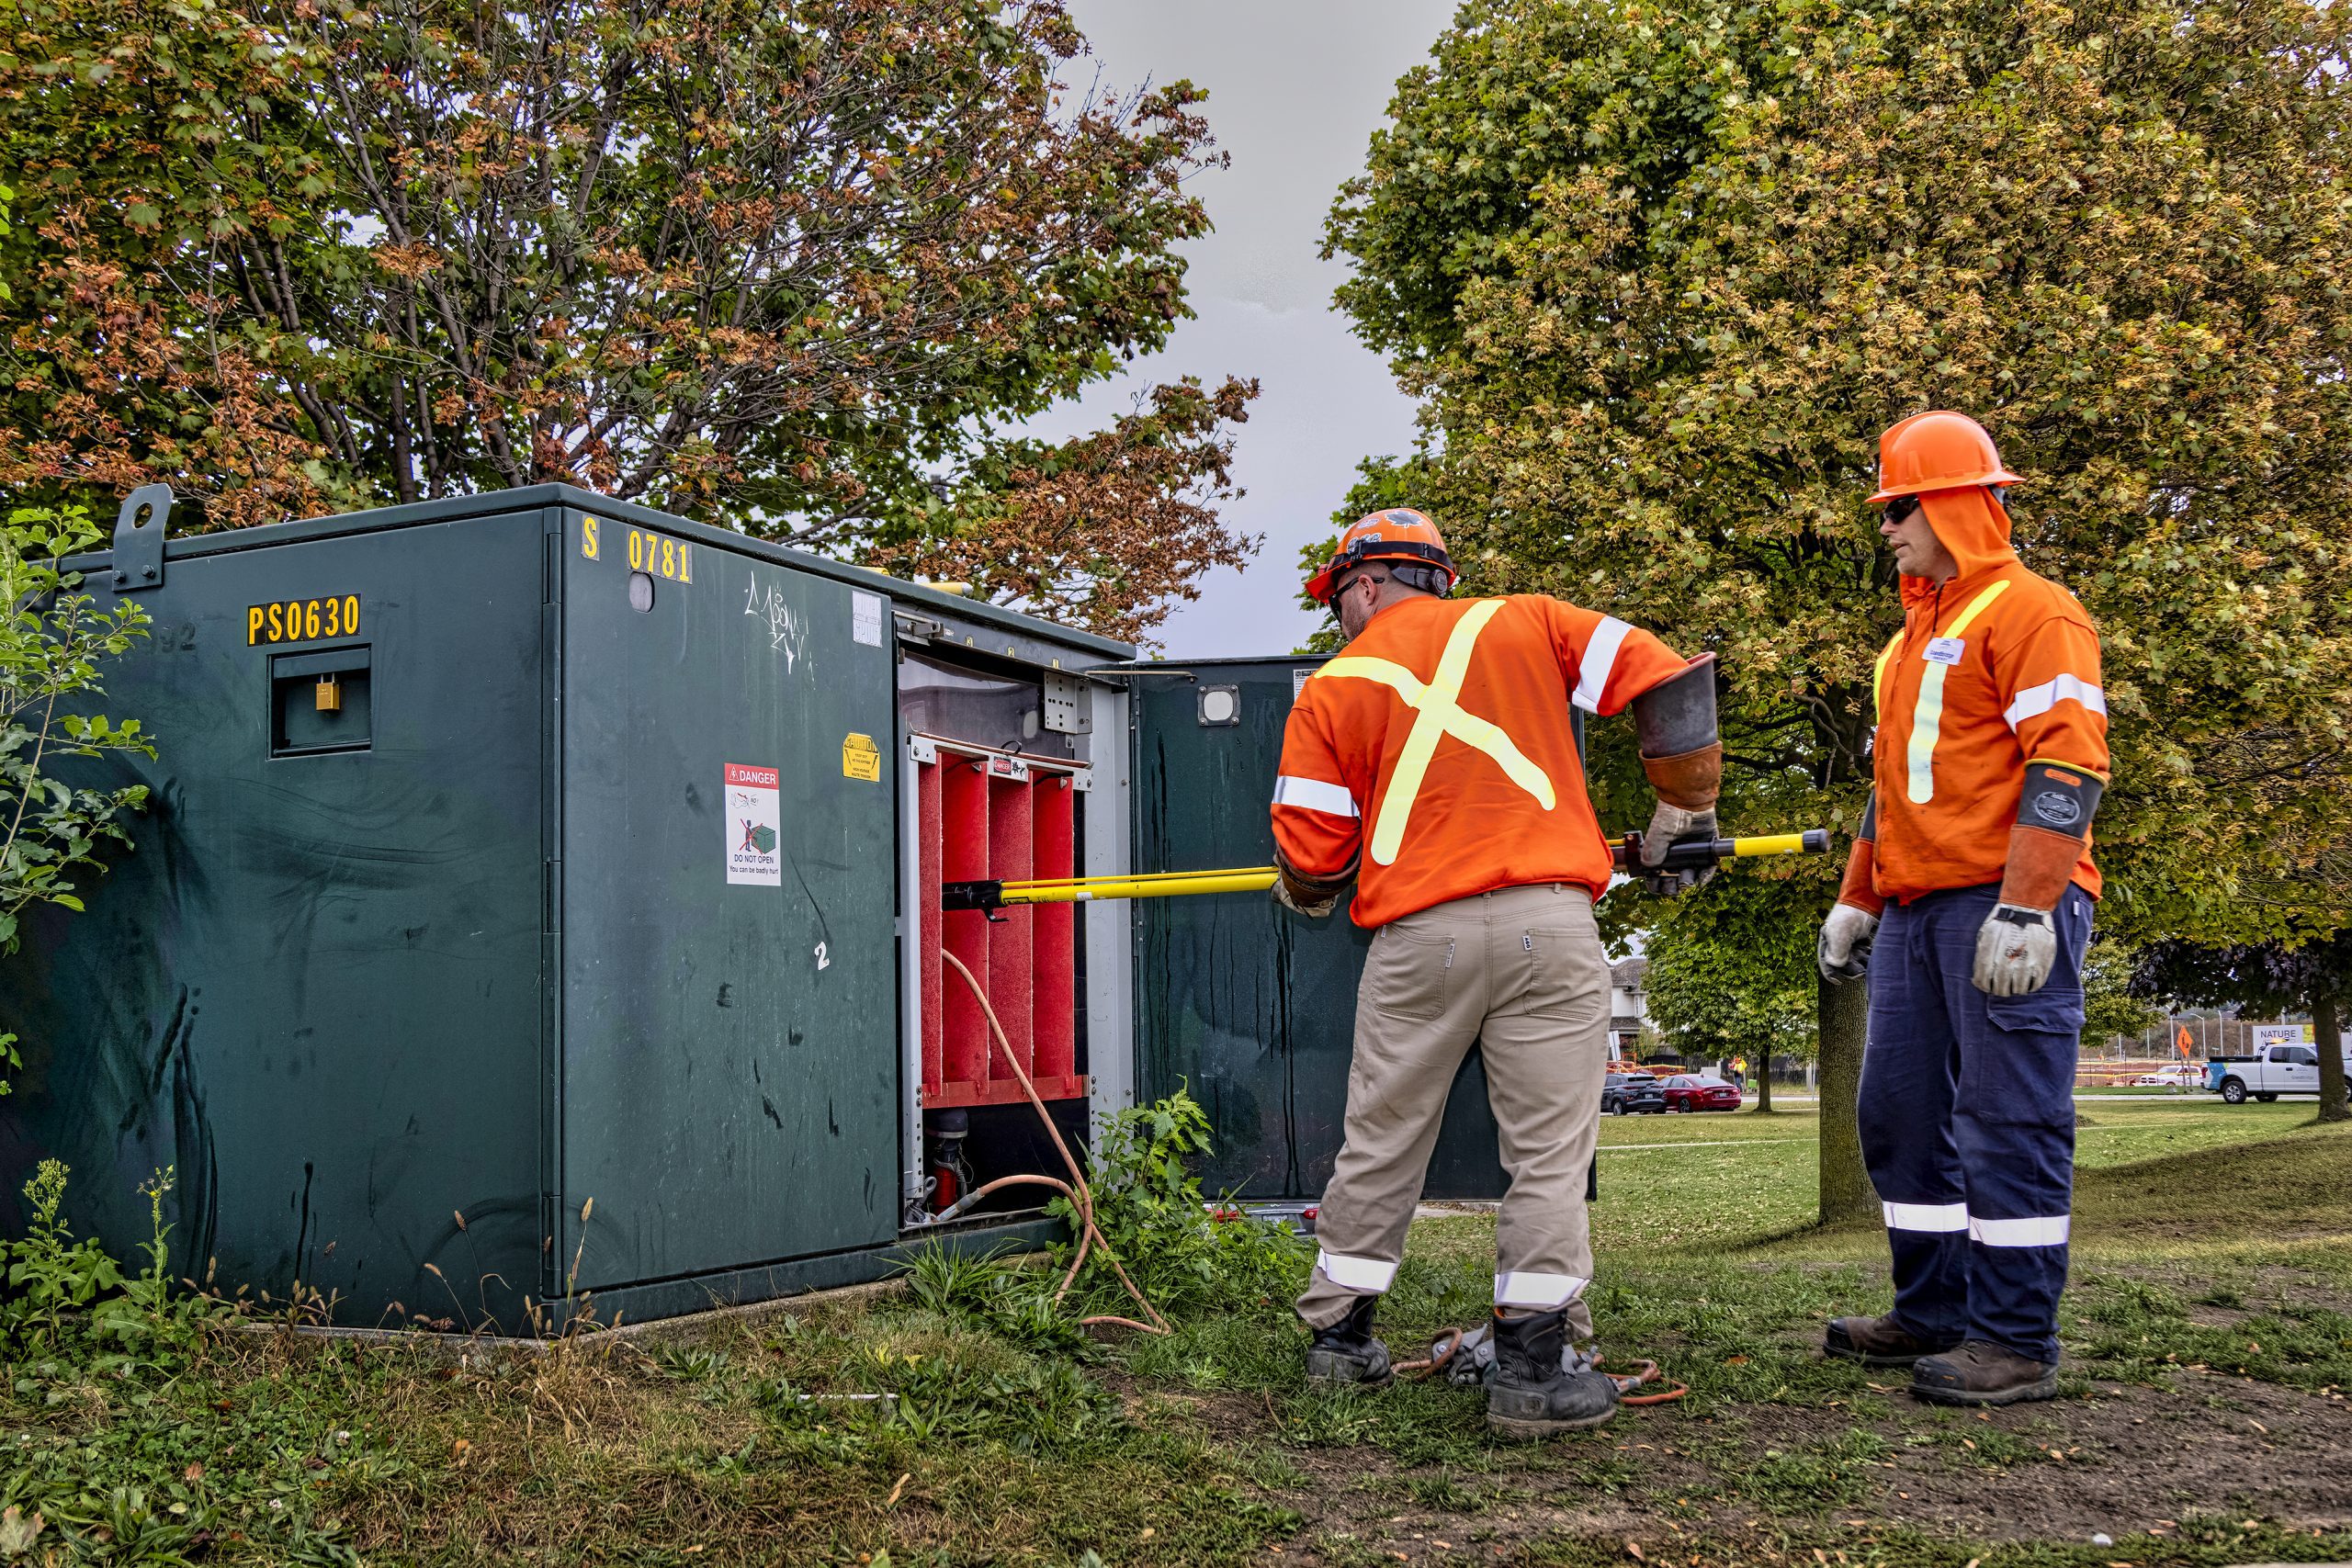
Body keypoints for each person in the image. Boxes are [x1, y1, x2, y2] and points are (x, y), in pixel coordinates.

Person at [1270, 507, 1724, 1437]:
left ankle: (1340, 1341)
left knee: (1382, 1139)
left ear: (1363, 586)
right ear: (1436, 576)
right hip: (1549, 928)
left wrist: (1305, 890)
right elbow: (1673, 687)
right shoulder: (1531, 620)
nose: (1341, 618)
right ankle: (1532, 1368)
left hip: (1415, 940)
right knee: (1547, 1156)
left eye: (1339, 602)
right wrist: (1685, 811)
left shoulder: (1332, 685)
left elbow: (1313, 856)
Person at [1815, 412, 2110, 1406]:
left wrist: (2028, 905)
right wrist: (1858, 898)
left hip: (2004, 903)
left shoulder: (2034, 612)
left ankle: (2015, 1340)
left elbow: (2068, 763)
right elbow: (1890, 790)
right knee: (1896, 1113)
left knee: (2006, 1117)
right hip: (1913, 910)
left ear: (1952, 504)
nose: (1886, 527)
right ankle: (1932, 1312)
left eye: (1897, 507)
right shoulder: (1909, 640)